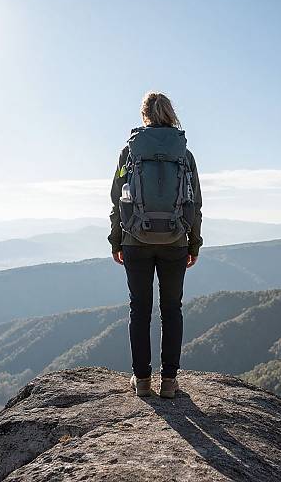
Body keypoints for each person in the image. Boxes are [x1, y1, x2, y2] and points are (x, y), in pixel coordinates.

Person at [107, 91, 203, 398]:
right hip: (175, 240)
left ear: (145, 115)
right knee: (172, 309)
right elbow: (196, 203)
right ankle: (170, 382)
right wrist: (193, 244)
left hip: (136, 239)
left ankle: (143, 380)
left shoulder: (130, 153)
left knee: (140, 310)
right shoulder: (184, 155)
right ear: (170, 114)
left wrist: (116, 239)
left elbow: (116, 198)